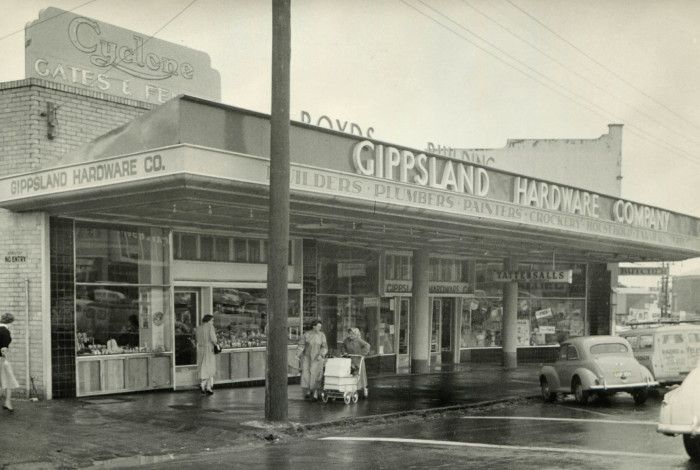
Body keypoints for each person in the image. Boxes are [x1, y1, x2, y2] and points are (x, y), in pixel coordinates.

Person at [297, 319, 327, 400]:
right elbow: (301, 345)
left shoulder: (322, 335)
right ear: (313, 326)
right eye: (318, 326)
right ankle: (308, 390)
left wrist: (321, 354)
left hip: (317, 357)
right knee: (306, 374)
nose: (319, 328)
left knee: (316, 374)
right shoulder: (306, 334)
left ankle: (315, 392)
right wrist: (298, 354)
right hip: (307, 356)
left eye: (320, 326)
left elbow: (324, 347)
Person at [341, 327, 370, 397]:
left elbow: (367, 345)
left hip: (358, 359)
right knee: (350, 373)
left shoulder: (359, 340)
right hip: (349, 359)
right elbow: (343, 347)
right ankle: (350, 387)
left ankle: (364, 388)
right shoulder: (346, 340)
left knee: (359, 374)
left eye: (352, 334)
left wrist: (362, 354)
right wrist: (344, 352)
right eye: (349, 333)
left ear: (356, 334)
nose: (350, 335)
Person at [0, 313, 19, 411]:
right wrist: (6, 360)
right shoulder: (5, 332)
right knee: (8, 381)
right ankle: (7, 402)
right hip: (2, 359)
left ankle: (7, 403)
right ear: (10, 322)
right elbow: (4, 349)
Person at [196, 314, 218, 395]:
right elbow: (213, 339)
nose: (213, 322)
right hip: (209, 349)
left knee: (202, 367)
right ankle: (204, 385)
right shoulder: (210, 327)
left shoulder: (199, 328)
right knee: (209, 367)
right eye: (212, 320)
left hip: (201, 349)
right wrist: (216, 345)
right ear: (208, 320)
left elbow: (197, 339)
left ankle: (208, 387)